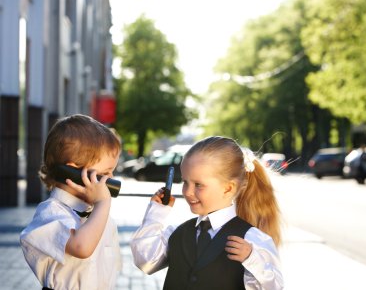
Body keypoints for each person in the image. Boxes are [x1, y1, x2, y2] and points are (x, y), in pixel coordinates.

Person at [131, 136, 284, 290]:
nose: (188, 192)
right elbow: (145, 261)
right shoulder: (176, 233)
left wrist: (252, 259)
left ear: (228, 188)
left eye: (198, 185)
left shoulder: (252, 240)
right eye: (185, 182)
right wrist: (156, 213)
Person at [20, 114, 122, 290]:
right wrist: (102, 204)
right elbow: (81, 247)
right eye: (106, 173)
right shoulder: (51, 214)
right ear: (72, 172)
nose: (111, 179)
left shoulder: (93, 212)